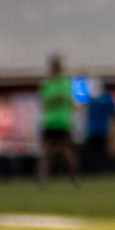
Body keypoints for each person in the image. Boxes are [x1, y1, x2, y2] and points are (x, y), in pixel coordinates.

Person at [37, 55, 79, 184]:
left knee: (66, 151)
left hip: (61, 122)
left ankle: (74, 177)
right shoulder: (52, 83)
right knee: (48, 152)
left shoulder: (61, 82)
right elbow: (48, 99)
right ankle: (43, 179)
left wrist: (52, 100)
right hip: (51, 122)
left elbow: (52, 99)